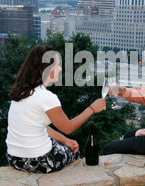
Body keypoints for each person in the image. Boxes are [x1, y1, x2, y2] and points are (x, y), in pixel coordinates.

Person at [6, 45, 106, 173]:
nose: (60, 69)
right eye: (57, 65)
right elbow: (68, 128)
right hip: (38, 160)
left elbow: (36, 126)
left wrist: (65, 140)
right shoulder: (46, 96)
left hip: (14, 158)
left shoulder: (21, 91)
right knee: (75, 153)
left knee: (62, 144)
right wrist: (92, 109)